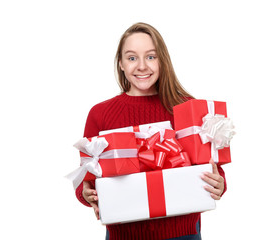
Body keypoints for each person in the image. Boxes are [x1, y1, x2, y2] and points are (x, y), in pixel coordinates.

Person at [75, 22, 227, 240]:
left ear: (162, 60)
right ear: (121, 63)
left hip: (181, 234)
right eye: (132, 57)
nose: (142, 66)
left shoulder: (187, 108)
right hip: (124, 235)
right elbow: (85, 180)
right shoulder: (100, 114)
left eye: (151, 57)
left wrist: (219, 183)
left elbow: (213, 169)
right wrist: (87, 194)